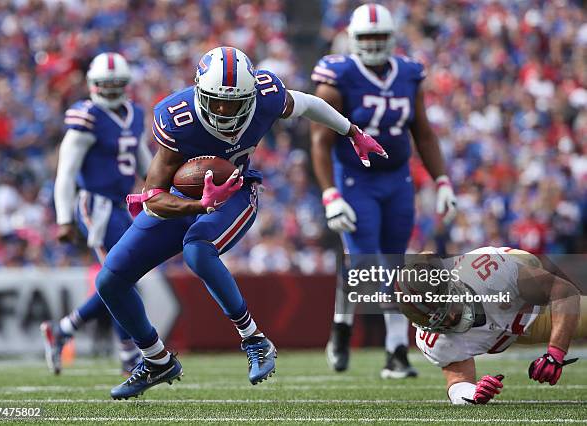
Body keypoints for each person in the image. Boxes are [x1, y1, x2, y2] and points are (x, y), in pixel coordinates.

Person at [94, 46, 384, 400]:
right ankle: (157, 360)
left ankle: (255, 340)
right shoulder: (177, 116)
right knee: (110, 278)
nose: (223, 110)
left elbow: (307, 104)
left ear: (251, 96)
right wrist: (199, 205)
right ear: (200, 92)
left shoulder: (266, 95)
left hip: (236, 192)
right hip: (187, 199)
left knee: (198, 252)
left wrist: (351, 131)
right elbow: (152, 195)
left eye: (232, 103)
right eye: (215, 102)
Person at [310, 3, 457, 378]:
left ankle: (343, 325)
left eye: (380, 37)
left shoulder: (408, 74)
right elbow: (320, 140)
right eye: (367, 38)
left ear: (391, 39)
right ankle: (395, 350)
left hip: (398, 179)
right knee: (368, 266)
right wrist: (330, 194)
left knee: (392, 263)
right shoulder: (337, 77)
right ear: (353, 40)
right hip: (357, 179)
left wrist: (441, 180)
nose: (374, 44)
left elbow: (422, 131)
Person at [40, 52, 152, 375]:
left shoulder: (133, 114)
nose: (111, 90)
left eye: (116, 84)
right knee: (121, 280)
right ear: (93, 85)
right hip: (95, 205)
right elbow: (65, 173)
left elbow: (143, 159)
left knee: (120, 280)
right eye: (106, 84)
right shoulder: (86, 116)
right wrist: (63, 219)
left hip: (120, 206)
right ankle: (128, 355)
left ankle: (62, 331)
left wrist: (161, 189)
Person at [396, 247, 586, 404]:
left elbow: (564, 292)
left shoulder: (491, 273)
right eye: (440, 320)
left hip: (524, 304)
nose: (451, 318)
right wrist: (473, 393)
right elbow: (457, 382)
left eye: (448, 306)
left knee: (558, 289)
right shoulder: (434, 341)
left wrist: (555, 353)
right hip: (519, 330)